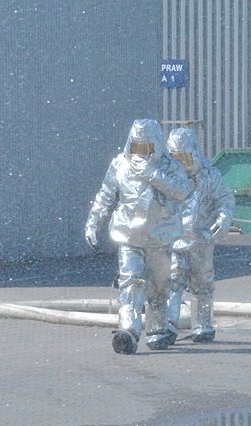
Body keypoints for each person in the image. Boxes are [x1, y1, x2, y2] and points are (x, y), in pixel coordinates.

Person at [85, 119, 191, 353]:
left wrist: (153, 174)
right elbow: (105, 194)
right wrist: (93, 223)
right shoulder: (120, 165)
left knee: (158, 287)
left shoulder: (170, 167)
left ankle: (156, 330)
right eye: (137, 146)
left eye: (146, 147)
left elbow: (182, 191)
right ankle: (129, 332)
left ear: (156, 145)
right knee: (130, 282)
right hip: (129, 236)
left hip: (160, 238)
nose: (141, 153)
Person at [165, 127, 235, 342]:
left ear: (193, 152)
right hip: (173, 240)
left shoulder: (208, 175)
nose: (181, 162)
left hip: (201, 239)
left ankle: (203, 326)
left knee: (202, 284)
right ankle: (167, 325)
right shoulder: (164, 176)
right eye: (175, 156)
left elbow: (224, 200)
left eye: (184, 156)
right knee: (172, 281)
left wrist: (222, 221)